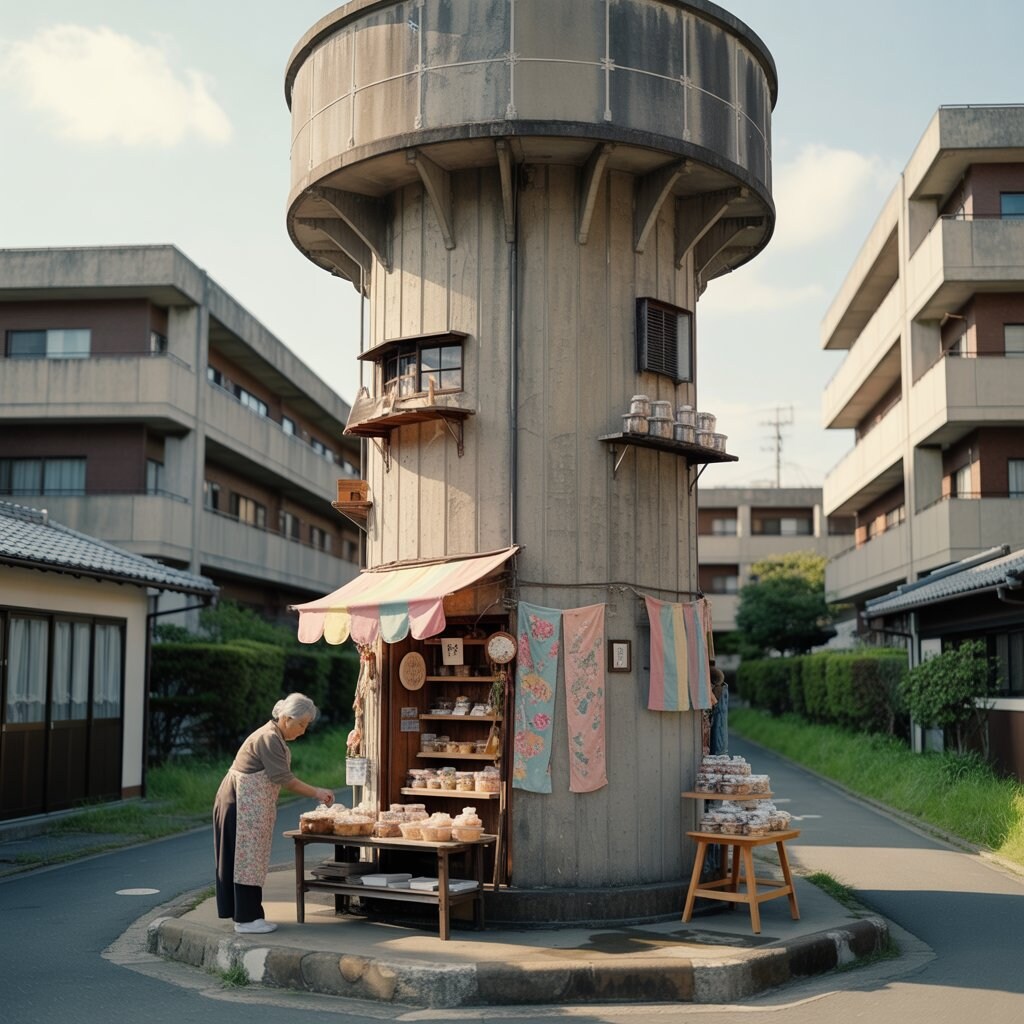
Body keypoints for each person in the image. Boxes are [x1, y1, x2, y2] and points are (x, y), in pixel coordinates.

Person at [213, 692, 335, 933]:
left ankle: (247, 915)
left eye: (306, 725)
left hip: (249, 804)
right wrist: (317, 792)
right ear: (287, 718)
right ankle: (246, 919)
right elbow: (284, 778)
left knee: (250, 858)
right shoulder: (269, 737)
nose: (303, 731)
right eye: (301, 724)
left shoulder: (274, 735)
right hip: (240, 802)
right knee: (245, 859)